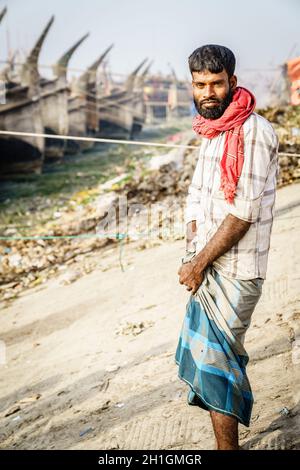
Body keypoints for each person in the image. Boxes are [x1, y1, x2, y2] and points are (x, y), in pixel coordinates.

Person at [175, 44, 279, 450]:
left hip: (237, 268)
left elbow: (243, 213)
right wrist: (191, 255)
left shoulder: (253, 131)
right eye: (199, 85)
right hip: (207, 264)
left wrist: (198, 262)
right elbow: (196, 198)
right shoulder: (213, 131)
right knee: (209, 361)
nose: (207, 92)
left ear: (232, 82)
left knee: (219, 363)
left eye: (216, 84)